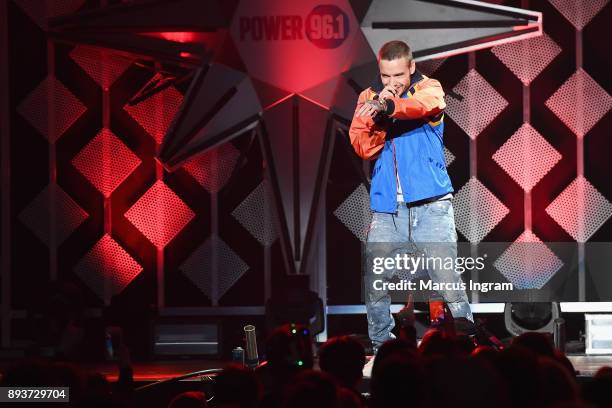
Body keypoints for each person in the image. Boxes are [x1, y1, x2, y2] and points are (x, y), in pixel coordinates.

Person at [349, 40, 473, 352]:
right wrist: (378, 115)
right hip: (389, 209)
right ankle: (381, 346)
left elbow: (425, 106)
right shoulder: (369, 97)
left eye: (398, 76)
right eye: (386, 76)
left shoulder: (428, 87)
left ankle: (468, 342)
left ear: (411, 68)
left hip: (431, 205)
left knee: (447, 280)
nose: (391, 83)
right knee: (376, 281)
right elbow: (362, 146)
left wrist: (390, 106)